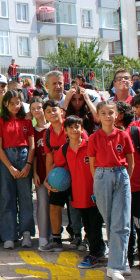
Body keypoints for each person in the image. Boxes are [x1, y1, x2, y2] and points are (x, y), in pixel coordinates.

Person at [88, 101, 134, 280]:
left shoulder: (123, 135)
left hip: (121, 175)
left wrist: (125, 179)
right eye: (104, 113)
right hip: (102, 176)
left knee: (121, 222)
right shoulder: (94, 138)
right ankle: (120, 260)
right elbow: (92, 165)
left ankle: (116, 266)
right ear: (98, 116)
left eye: (111, 113)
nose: (108, 116)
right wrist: (99, 180)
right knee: (110, 220)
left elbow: (130, 161)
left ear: (117, 115)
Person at [55, 116, 106, 269]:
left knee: (95, 224)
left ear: (82, 129)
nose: (74, 130)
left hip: (94, 193)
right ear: (65, 130)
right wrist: (49, 181)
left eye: (77, 126)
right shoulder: (64, 149)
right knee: (88, 225)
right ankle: (99, 249)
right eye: (70, 127)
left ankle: (95, 253)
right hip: (77, 194)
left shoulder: (90, 144)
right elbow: (59, 169)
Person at [40, 99, 86, 252]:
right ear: (45, 115)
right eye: (48, 111)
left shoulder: (73, 125)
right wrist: (48, 179)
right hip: (58, 175)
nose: (52, 113)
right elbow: (49, 157)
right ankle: (56, 240)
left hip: (77, 174)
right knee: (54, 206)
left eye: (54, 109)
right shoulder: (47, 133)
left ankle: (79, 236)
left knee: (77, 207)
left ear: (61, 111)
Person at [114, 101, 140, 271]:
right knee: (124, 224)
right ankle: (126, 256)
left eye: (111, 112)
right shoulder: (108, 135)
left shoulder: (136, 132)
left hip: (139, 188)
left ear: (120, 115)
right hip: (120, 189)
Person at [0, 90, 35, 249]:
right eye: (12, 103)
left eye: (18, 103)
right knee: (7, 197)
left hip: (25, 158)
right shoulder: (0, 122)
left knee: (25, 197)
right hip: (6, 159)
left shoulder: (27, 122)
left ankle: (26, 233)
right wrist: (10, 167)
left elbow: (32, 146)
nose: (15, 106)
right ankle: (9, 235)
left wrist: (28, 165)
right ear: (5, 104)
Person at [30, 97, 52, 248]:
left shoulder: (53, 128)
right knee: (43, 205)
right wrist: (35, 173)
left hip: (56, 174)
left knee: (56, 207)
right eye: (33, 108)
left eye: (39, 107)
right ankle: (43, 236)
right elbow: (35, 154)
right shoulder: (32, 131)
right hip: (41, 174)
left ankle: (55, 235)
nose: (37, 111)